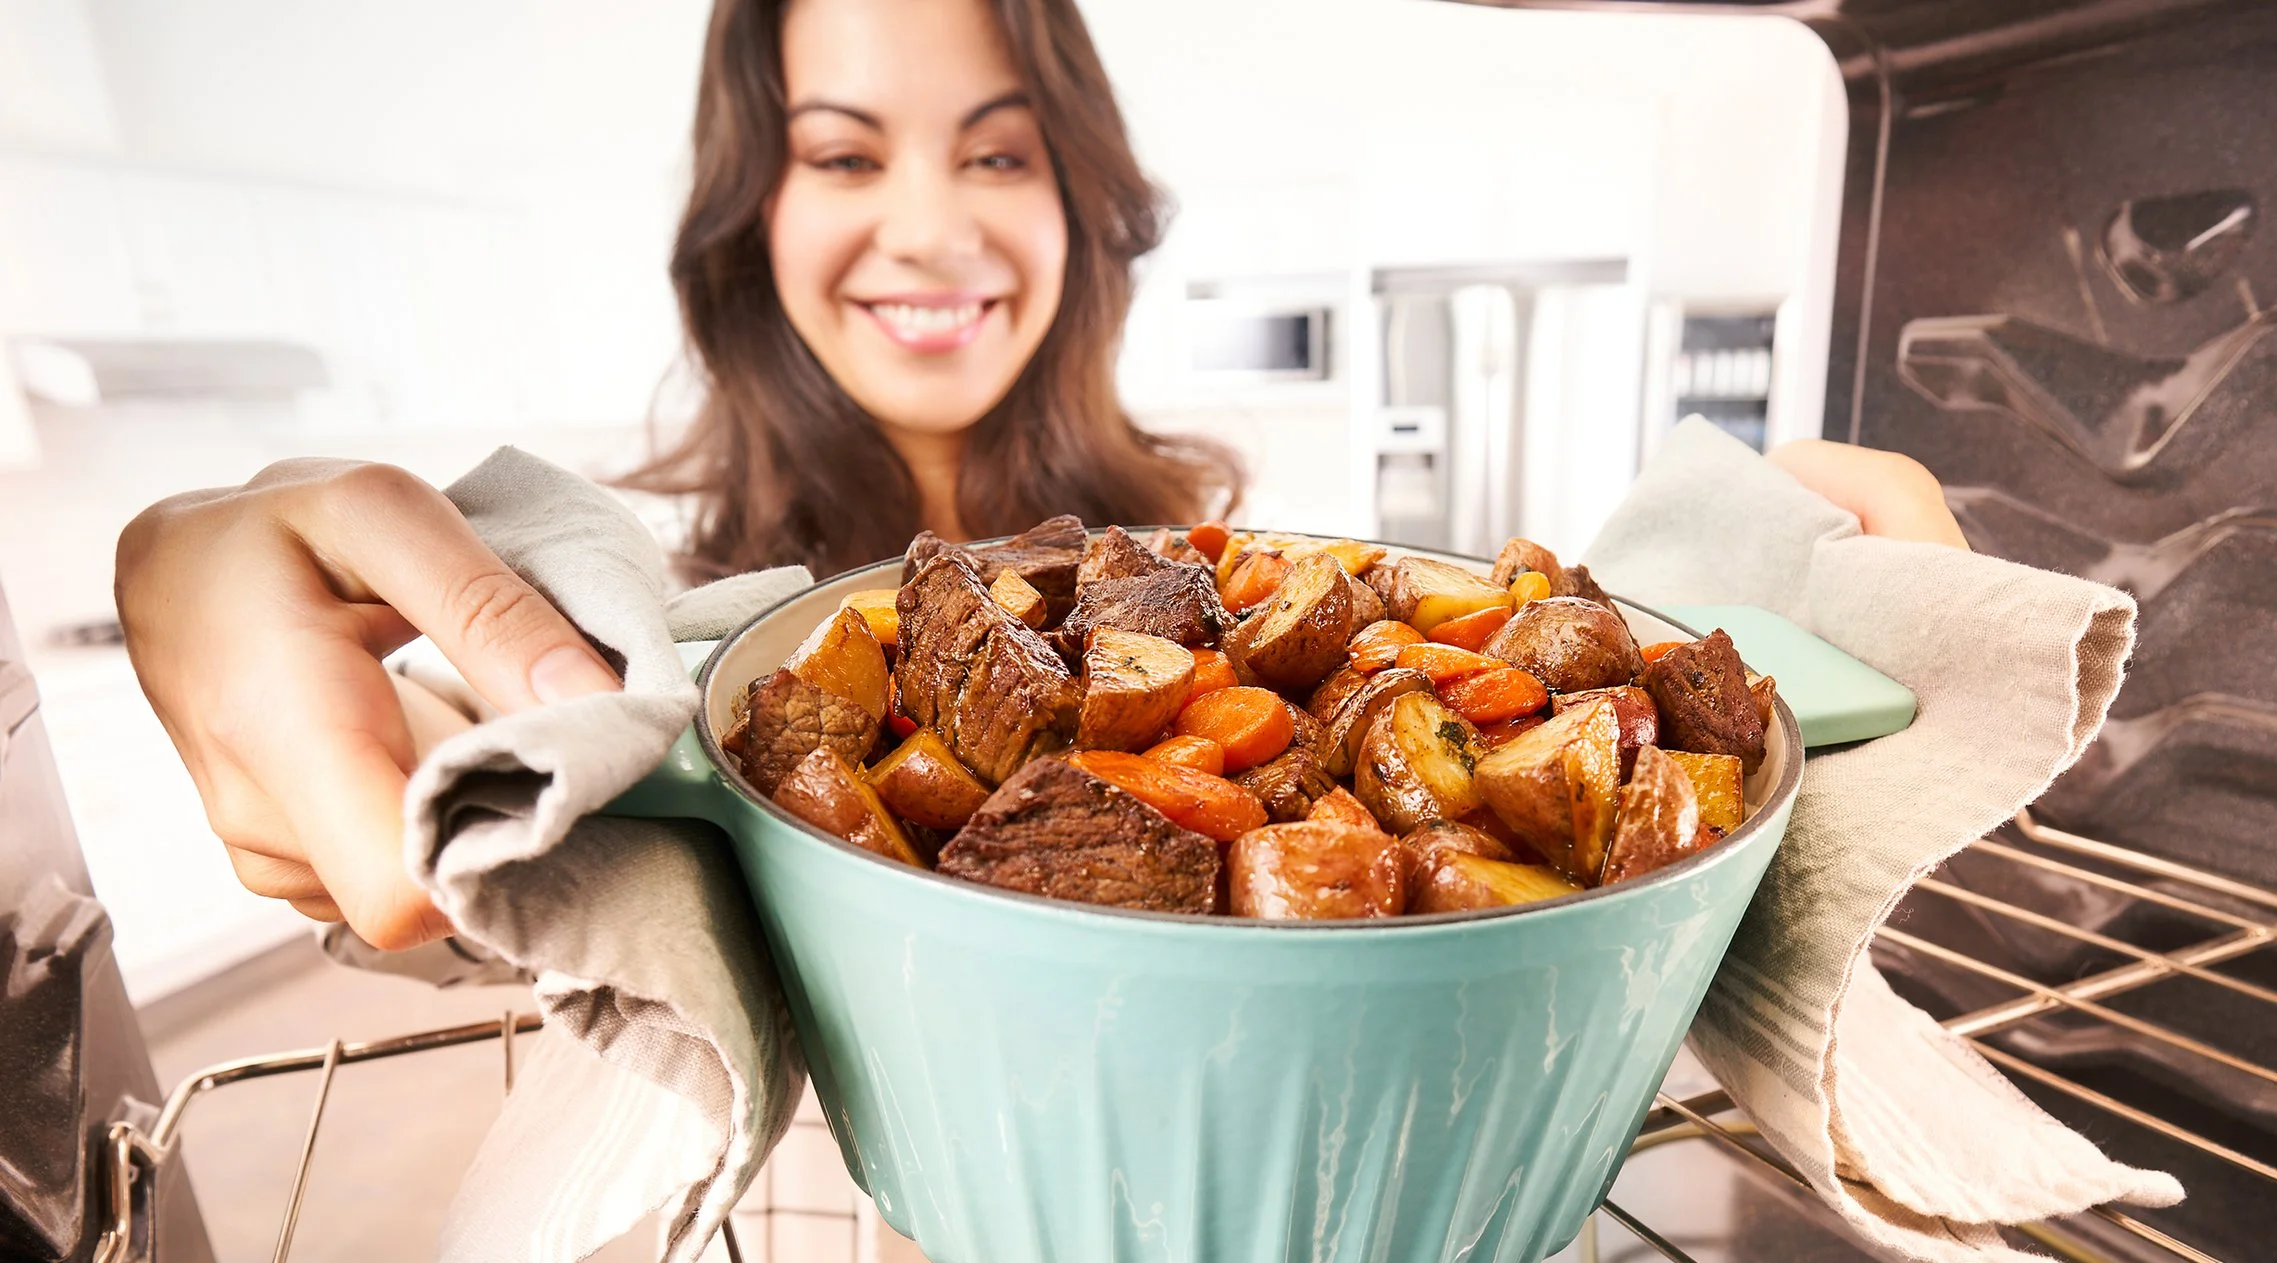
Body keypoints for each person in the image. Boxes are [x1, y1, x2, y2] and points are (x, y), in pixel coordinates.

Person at [114, 0, 1965, 959]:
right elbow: (477, 853)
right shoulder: (640, 614)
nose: (928, 227)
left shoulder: (1232, 526)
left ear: (1080, 202)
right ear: (747, 216)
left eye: (997, 158)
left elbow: (1548, 632)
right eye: (844, 156)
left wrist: (1756, 531)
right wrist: (275, 677)